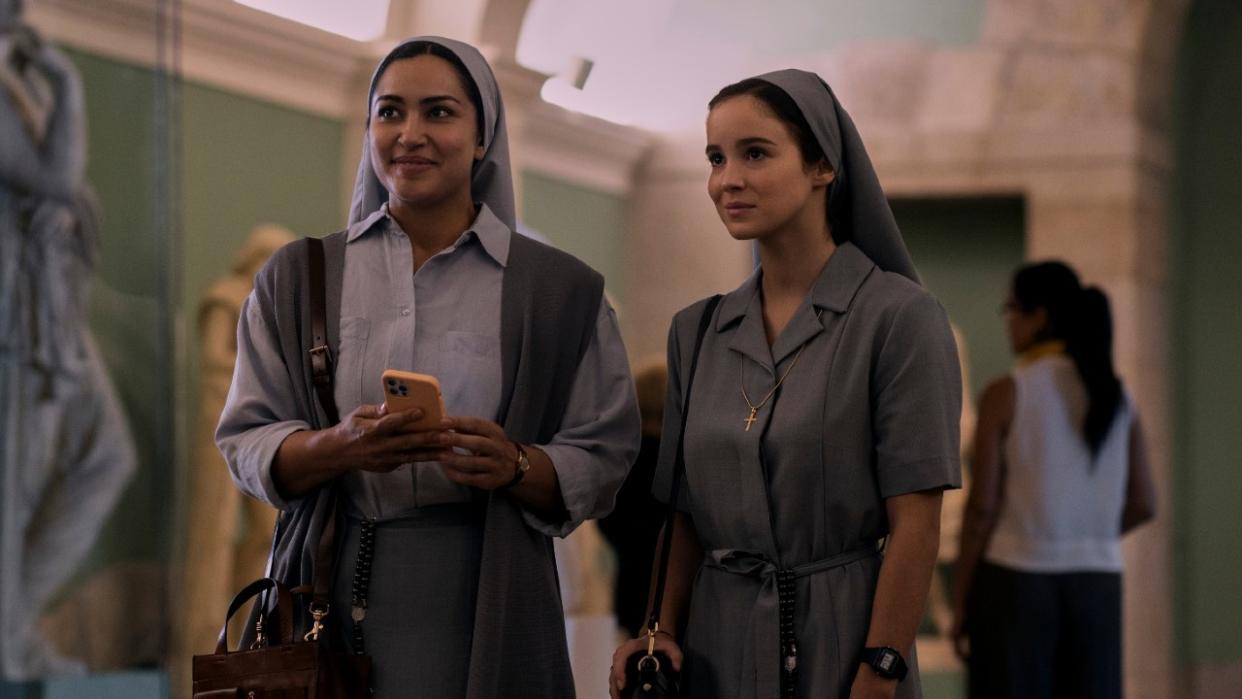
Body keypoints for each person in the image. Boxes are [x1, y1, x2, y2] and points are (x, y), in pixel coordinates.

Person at [216, 37, 640, 698]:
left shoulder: (560, 291)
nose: (410, 134)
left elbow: (606, 450)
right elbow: (245, 438)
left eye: (438, 112)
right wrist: (340, 445)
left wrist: (517, 464)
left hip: (489, 591)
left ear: (483, 136)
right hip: (329, 585)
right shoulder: (299, 278)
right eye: (390, 113)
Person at [610, 70, 962, 699]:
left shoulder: (899, 319)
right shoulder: (697, 331)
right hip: (716, 641)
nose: (727, 180)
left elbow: (916, 524)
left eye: (755, 153)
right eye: (716, 158)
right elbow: (683, 515)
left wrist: (881, 668)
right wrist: (657, 627)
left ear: (823, 165)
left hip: (843, 634)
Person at [950, 261, 1156, 699]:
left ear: (1038, 316)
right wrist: (1081, 535)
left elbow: (982, 508)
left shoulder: (1007, 392)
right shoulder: (1116, 395)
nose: (1008, 323)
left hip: (1015, 584)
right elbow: (1144, 503)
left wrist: (963, 597)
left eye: (1011, 310)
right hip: (1098, 584)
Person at [598, 360, 669, 638]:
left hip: (631, 584)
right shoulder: (675, 462)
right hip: (674, 589)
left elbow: (607, 519)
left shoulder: (625, 459)